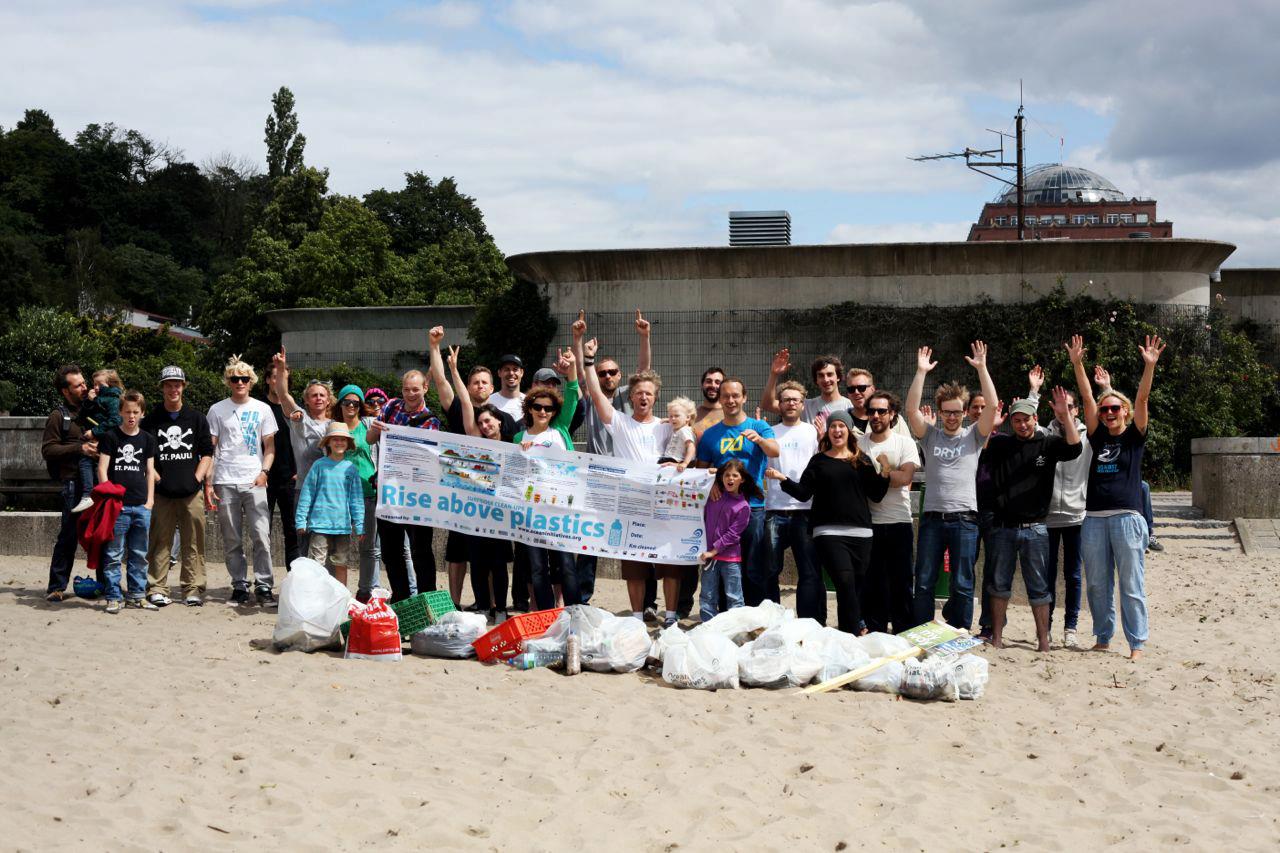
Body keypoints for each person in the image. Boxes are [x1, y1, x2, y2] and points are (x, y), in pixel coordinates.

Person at [1068, 333, 1165, 661]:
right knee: (1097, 584)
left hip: (1127, 518)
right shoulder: (1097, 436)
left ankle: (1137, 643)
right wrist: (1077, 364)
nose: (1109, 413)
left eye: (1114, 408)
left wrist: (1149, 366)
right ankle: (1103, 636)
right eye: (1104, 409)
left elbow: (1143, 399)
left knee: (1131, 585)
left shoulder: (1134, 436)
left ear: (1124, 411)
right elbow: (1086, 396)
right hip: (1094, 519)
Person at [766, 410, 891, 633]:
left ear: (849, 431)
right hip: (828, 533)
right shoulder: (819, 461)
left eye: (841, 426)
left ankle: (847, 632)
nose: (837, 430)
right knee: (844, 581)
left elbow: (877, 494)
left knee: (855, 586)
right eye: (833, 426)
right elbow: (803, 493)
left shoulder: (861, 460)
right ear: (828, 432)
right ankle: (854, 630)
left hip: (862, 534)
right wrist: (782, 479)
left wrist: (886, 470)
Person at [582, 343, 678, 624]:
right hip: (630, 505)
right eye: (638, 393)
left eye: (648, 393)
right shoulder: (619, 422)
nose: (643, 397)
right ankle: (636, 618)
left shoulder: (668, 426)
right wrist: (588, 360)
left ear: (655, 397)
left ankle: (671, 616)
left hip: (662, 504)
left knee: (668, 561)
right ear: (631, 397)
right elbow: (595, 393)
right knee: (634, 564)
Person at [905, 341, 998, 630]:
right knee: (924, 580)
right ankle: (922, 630)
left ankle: (960, 632)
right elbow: (911, 410)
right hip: (932, 519)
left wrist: (982, 368)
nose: (952, 417)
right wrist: (921, 372)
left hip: (965, 520)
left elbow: (993, 406)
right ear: (940, 412)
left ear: (965, 412)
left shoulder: (974, 436)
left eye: (957, 412)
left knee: (962, 582)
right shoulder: (930, 436)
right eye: (947, 412)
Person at [982, 389, 1082, 651]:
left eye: (1026, 419)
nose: (1022, 425)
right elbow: (979, 452)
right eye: (1017, 420)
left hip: (1036, 528)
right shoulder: (1002, 444)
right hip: (1003, 527)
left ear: (1035, 419)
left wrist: (1065, 416)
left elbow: (1075, 448)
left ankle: (1043, 641)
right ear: (1011, 422)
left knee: (1039, 587)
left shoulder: (1047, 444)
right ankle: (997, 638)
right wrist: (991, 428)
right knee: (999, 584)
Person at [428, 327, 518, 608]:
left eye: (484, 382)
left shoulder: (505, 419)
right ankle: (454, 603)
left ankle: (492, 605)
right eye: (475, 382)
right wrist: (434, 346)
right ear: (467, 387)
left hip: (494, 497)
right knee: (457, 552)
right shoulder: (458, 408)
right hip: (462, 492)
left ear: (492, 388)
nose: (479, 386)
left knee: (494, 556)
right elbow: (440, 380)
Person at [695, 378, 780, 606]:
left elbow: (775, 451)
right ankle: (725, 614)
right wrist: (711, 484)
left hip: (752, 507)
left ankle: (752, 613)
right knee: (723, 562)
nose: (730, 400)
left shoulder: (758, 427)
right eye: (726, 396)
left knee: (753, 565)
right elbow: (701, 470)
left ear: (744, 398)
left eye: (735, 395)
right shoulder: (710, 434)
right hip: (721, 509)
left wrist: (760, 440)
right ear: (720, 399)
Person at [206, 355, 278, 607]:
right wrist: (209, 483)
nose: (239, 382)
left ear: (251, 381)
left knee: (261, 535)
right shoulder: (216, 410)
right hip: (225, 479)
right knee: (232, 539)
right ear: (228, 381)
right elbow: (211, 449)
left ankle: (264, 585)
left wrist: (264, 472)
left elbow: (269, 446)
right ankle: (239, 585)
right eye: (235, 378)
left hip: (254, 479)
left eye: (244, 379)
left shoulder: (263, 409)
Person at [512, 350, 582, 610]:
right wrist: (521, 455)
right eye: (538, 407)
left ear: (555, 412)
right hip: (533, 512)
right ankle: (545, 614)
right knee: (538, 568)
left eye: (548, 408)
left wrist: (572, 366)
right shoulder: (518, 438)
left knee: (566, 565)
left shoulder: (560, 428)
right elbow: (514, 476)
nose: (543, 411)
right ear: (529, 408)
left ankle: (574, 612)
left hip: (562, 509)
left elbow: (573, 392)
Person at [448, 347, 514, 621]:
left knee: (498, 563)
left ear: (499, 421)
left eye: (489, 421)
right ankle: (484, 607)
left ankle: (501, 608)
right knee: (477, 561)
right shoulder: (476, 440)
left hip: (500, 511)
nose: (485, 425)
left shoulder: (511, 444)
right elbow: (465, 402)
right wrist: (454, 370)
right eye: (481, 422)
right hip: (475, 508)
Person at [367, 369, 443, 602]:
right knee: (390, 550)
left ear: (425, 389)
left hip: (418, 494)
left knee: (421, 550)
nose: (410, 394)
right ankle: (401, 599)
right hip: (389, 490)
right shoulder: (390, 407)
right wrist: (375, 430)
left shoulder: (431, 420)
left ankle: (427, 599)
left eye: (415, 389)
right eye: (406, 389)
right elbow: (370, 439)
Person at [141, 366, 213, 607]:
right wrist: (158, 480)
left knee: (194, 543)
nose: (173, 389)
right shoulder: (151, 420)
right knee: (160, 541)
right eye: (169, 385)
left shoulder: (197, 418)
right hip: (162, 494)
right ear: (162, 388)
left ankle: (193, 588)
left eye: (177, 385)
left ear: (183, 387)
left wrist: (196, 479)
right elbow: (144, 456)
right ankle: (157, 587)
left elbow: (207, 453)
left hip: (191, 493)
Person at [855, 390, 920, 634]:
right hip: (867, 523)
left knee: (901, 582)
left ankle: (903, 632)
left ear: (892, 414)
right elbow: (857, 482)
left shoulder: (904, 443)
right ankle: (877, 634)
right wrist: (884, 472)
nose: (876, 415)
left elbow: (905, 477)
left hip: (898, 521)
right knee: (872, 584)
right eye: (871, 411)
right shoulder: (859, 444)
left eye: (882, 411)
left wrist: (875, 477)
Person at [764, 381, 822, 620]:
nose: (790, 404)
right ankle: (773, 620)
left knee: (808, 571)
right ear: (779, 404)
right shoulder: (770, 432)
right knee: (770, 570)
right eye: (786, 399)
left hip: (805, 510)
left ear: (802, 404)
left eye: (795, 400)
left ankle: (807, 621)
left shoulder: (813, 431)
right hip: (774, 508)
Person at [97, 390, 158, 613]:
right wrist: (109, 497)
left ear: (142, 413)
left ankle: (137, 595)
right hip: (118, 506)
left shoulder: (147, 439)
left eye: (135, 412)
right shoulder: (111, 437)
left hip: (141, 505)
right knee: (114, 554)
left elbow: (150, 471)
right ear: (120, 412)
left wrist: (150, 501)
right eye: (127, 412)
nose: (131, 416)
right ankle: (114, 596)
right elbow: (102, 469)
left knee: (139, 554)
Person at [269, 348, 332, 558]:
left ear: (329, 400)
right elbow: (283, 395)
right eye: (314, 395)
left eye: (322, 395)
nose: (318, 398)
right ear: (306, 400)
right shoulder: (299, 417)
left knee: (328, 545)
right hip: (303, 490)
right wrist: (281, 369)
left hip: (330, 493)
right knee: (302, 543)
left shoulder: (336, 425)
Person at [42, 365, 96, 601]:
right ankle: (57, 587)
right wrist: (80, 448)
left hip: (99, 483)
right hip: (73, 484)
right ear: (66, 391)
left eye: (84, 382)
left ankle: (106, 584)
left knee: (102, 535)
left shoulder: (95, 409)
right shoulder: (58, 416)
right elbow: (48, 450)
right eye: (78, 385)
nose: (84, 387)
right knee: (68, 536)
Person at [1044, 386, 1090, 648]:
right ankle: (1046, 626)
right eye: (1059, 406)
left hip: (1076, 515)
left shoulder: (1087, 436)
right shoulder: (1044, 434)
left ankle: (1070, 627)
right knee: (1047, 576)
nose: (1064, 410)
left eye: (1069, 406)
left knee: (1073, 576)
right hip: (1048, 515)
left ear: (1077, 410)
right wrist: (1033, 392)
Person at [296, 423, 364, 588]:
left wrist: (360, 525)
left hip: (343, 526)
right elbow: (307, 493)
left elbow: (356, 499)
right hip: (319, 524)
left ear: (348, 443)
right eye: (335, 439)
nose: (339, 442)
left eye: (343, 439)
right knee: (316, 564)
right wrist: (301, 520)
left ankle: (341, 597)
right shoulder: (319, 465)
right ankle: (314, 597)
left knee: (341, 564)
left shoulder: (351, 469)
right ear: (328, 442)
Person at [332, 384, 381, 602]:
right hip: (340, 495)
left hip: (367, 492)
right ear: (340, 404)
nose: (351, 406)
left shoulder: (368, 424)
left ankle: (364, 592)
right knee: (338, 546)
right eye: (347, 402)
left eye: (356, 402)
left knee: (368, 547)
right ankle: (337, 592)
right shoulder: (334, 427)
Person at [699, 460, 757, 623]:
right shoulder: (713, 497)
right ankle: (708, 627)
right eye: (726, 475)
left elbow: (733, 535)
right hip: (709, 558)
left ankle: (737, 629)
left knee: (734, 597)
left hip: (730, 559)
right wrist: (708, 476)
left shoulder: (743, 506)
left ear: (742, 479)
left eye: (735, 475)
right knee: (707, 596)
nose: (730, 478)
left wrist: (713, 551)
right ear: (721, 478)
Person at [262, 358, 300, 568]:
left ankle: (293, 576)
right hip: (263, 477)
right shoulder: (258, 407)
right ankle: (264, 579)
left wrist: (299, 469)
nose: (278, 381)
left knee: (292, 530)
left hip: (290, 477)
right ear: (268, 380)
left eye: (283, 377)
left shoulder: (294, 409)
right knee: (262, 530)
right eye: (275, 377)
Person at [71, 368, 124, 512]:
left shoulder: (113, 399)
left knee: (86, 461)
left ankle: (89, 494)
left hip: (105, 439)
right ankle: (95, 496)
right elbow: (82, 416)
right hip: (99, 438)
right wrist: (89, 401)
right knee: (91, 464)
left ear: (110, 384)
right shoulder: (98, 398)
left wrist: (94, 431)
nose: (95, 387)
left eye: (100, 384)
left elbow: (115, 420)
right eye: (94, 384)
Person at [761, 350, 851, 424]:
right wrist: (774, 374)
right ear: (816, 380)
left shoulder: (850, 406)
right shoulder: (805, 406)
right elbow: (768, 405)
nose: (826, 379)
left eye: (830, 374)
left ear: (838, 377)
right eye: (821, 375)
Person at [659, 397, 697, 469]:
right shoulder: (680, 428)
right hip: (673, 459)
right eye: (670, 416)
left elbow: (691, 447)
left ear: (688, 417)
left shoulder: (684, 430)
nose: (673, 419)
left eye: (676, 416)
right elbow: (677, 420)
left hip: (678, 461)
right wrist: (668, 420)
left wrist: (685, 463)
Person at [488, 354, 526, 420]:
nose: (511, 373)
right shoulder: (489, 402)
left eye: (515, 369)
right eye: (507, 369)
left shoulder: (529, 402)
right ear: (499, 373)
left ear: (521, 373)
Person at [691, 367, 725, 439]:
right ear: (702, 385)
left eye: (717, 382)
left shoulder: (730, 414)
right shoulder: (691, 415)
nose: (713, 385)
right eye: (708, 381)